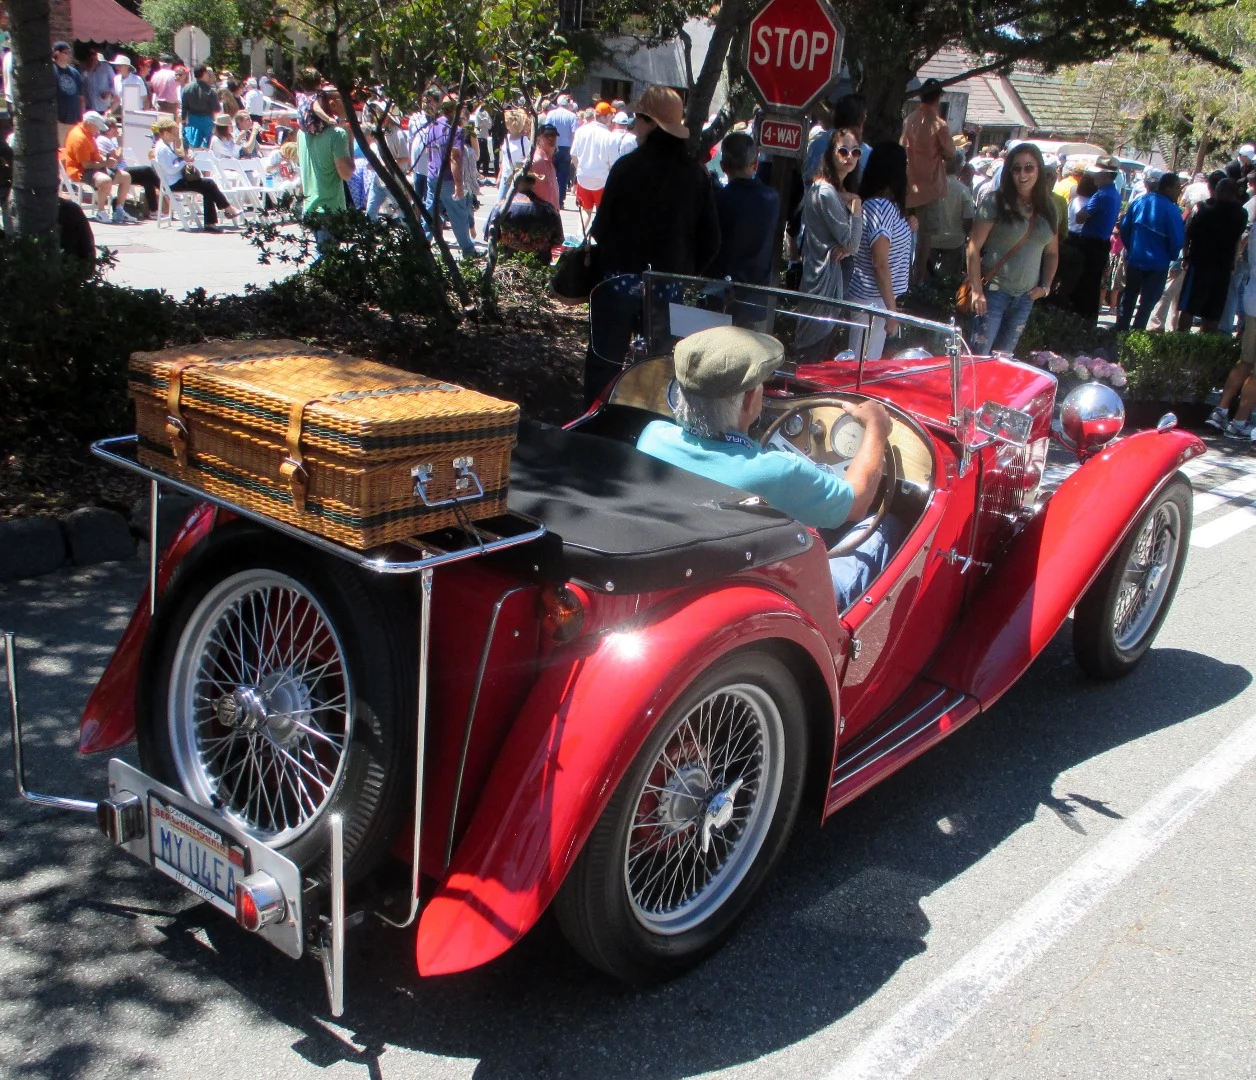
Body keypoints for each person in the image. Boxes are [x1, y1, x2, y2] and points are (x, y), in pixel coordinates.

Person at [637, 326, 896, 610]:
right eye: (763, 387)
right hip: (773, 595)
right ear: (750, 399)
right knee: (887, 525)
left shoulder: (652, 438)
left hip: (679, 582)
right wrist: (876, 428)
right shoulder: (777, 472)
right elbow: (857, 502)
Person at [585, 85, 721, 404]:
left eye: (638, 119)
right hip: (667, 289)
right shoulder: (696, 176)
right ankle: (647, 430)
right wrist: (682, 273)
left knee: (604, 366)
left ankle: (592, 430)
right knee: (658, 371)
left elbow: (600, 230)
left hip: (618, 285)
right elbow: (712, 241)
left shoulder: (626, 168)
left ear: (650, 123)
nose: (634, 127)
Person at [965, 142, 1058, 356]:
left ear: (1039, 170)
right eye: (1016, 168)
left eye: (1029, 167)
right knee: (979, 357)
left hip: (1026, 296)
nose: (1022, 174)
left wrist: (1045, 287)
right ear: (1009, 172)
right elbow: (973, 246)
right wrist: (977, 292)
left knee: (1004, 361)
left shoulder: (1048, 207)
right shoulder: (995, 201)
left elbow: (1052, 252)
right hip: (994, 292)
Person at [847, 143, 914, 360]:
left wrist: (908, 225)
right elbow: (879, 263)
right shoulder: (881, 206)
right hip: (873, 304)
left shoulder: (882, 205)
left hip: (876, 302)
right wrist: (890, 311)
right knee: (862, 367)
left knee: (865, 364)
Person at [901, 78, 956, 284]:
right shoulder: (939, 124)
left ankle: (902, 276)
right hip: (930, 187)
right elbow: (950, 152)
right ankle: (918, 280)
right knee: (925, 239)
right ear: (938, 97)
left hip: (909, 186)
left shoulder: (909, 120)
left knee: (904, 235)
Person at [1177, 177, 1249, 333]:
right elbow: (1238, 239)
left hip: (1199, 265)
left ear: (1220, 191)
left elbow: (1188, 234)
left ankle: (1181, 340)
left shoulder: (1204, 209)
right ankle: (1205, 345)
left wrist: (1186, 255)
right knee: (1213, 312)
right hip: (1223, 267)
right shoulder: (1241, 214)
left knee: (1190, 307)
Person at [798, 128, 862, 304]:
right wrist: (857, 205)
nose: (850, 156)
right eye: (843, 151)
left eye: (856, 152)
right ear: (831, 153)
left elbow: (848, 245)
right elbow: (852, 244)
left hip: (829, 276)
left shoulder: (837, 190)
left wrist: (846, 248)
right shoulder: (826, 191)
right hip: (822, 281)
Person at [708, 131, 779, 286]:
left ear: (723, 166)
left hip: (720, 288)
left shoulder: (718, 201)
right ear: (755, 165)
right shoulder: (772, 199)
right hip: (758, 293)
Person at [1116, 172, 1185, 332]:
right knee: (1147, 301)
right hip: (1157, 264)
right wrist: (1173, 256)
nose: (1178, 192)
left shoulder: (1140, 201)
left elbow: (1125, 228)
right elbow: (1177, 239)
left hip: (1136, 258)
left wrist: (1130, 248)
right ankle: (1137, 332)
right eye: (1177, 188)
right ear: (1168, 188)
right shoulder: (1172, 210)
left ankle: (1121, 328)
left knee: (1129, 296)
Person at [151, 115, 239, 231]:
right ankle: (226, 210)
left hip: (176, 180)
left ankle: (213, 221)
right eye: (174, 133)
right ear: (166, 133)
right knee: (209, 185)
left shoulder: (164, 146)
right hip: (174, 182)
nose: (175, 136)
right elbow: (170, 169)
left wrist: (183, 160)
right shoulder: (162, 148)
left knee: (208, 186)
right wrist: (184, 162)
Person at [417, 94, 477, 258]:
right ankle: (468, 251)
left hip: (432, 175)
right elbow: (454, 157)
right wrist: (458, 185)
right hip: (448, 178)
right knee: (458, 214)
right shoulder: (455, 130)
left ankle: (422, 245)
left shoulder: (433, 125)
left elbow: (429, 151)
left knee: (430, 212)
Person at [1067, 155, 1122, 319]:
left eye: (1097, 174)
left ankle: (1080, 319)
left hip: (1091, 244)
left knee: (1084, 284)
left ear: (1105, 175)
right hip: (1101, 243)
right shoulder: (1115, 194)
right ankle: (1088, 318)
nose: (1094, 177)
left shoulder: (1101, 195)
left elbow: (1080, 217)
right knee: (1092, 284)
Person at [63, 111, 135, 224]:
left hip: (94, 168)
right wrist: (105, 163)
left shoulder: (89, 134)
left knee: (125, 177)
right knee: (106, 181)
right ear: (90, 124)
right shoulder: (79, 138)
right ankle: (101, 212)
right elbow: (85, 165)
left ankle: (119, 210)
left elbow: (95, 155)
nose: (99, 130)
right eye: (97, 127)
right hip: (80, 171)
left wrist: (105, 160)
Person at [486, 170, 564, 263]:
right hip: (539, 267)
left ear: (515, 184)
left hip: (507, 266)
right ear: (534, 184)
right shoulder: (549, 210)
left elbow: (490, 236)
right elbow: (558, 242)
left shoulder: (500, 207)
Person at [570, 101, 620, 226]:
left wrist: (579, 169)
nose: (612, 117)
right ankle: (598, 240)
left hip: (583, 177)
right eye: (610, 114)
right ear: (605, 117)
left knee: (585, 210)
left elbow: (573, 154)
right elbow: (615, 163)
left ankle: (580, 236)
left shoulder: (581, 130)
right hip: (602, 180)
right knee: (602, 213)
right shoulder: (610, 137)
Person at [97, 114, 158, 216]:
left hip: (123, 169)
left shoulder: (111, 140)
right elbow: (118, 157)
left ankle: (154, 210)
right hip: (118, 171)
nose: (117, 129)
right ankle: (166, 189)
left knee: (148, 180)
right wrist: (120, 143)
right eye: (116, 127)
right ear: (110, 128)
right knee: (147, 170)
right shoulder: (103, 140)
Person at [927, 152, 974, 278]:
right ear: (959, 168)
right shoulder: (963, 190)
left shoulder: (929, 187)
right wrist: (966, 237)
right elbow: (968, 219)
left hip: (931, 239)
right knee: (949, 281)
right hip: (954, 241)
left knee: (927, 280)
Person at [542, 93, 579, 206]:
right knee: (563, 175)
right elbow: (574, 134)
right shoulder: (572, 116)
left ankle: (549, 197)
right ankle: (560, 199)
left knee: (550, 173)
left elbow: (545, 130)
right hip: (566, 147)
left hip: (552, 146)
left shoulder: (551, 114)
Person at [496, 107, 532, 203]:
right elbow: (504, 159)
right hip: (506, 177)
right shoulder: (506, 138)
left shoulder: (524, 141)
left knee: (518, 204)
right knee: (499, 204)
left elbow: (529, 159)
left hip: (519, 178)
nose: (505, 123)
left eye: (507, 121)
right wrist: (499, 177)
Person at [53, 42, 85, 146]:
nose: (68, 55)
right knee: (62, 149)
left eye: (69, 52)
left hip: (75, 120)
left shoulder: (74, 73)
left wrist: (82, 115)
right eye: (65, 52)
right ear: (57, 53)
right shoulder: (51, 71)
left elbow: (80, 97)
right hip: (60, 120)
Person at [181, 65, 219, 149]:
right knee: (207, 147)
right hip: (207, 122)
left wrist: (183, 121)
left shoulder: (187, 88)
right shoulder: (210, 91)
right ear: (204, 74)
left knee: (193, 146)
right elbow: (216, 109)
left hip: (193, 121)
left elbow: (184, 107)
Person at [529, 123, 561, 210]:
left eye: (554, 135)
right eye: (547, 136)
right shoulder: (536, 160)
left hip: (551, 213)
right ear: (538, 139)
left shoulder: (549, 159)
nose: (551, 138)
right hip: (540, 214)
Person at [80, 49, 115, 115]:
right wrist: (88, 71)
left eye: (94, 55)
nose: (93, 57)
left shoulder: (106, 67)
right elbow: (79, 81)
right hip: (89, 107)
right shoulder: (83, 68)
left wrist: (109, 92)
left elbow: (114, 83)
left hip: (103, 106)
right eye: (91, 56)